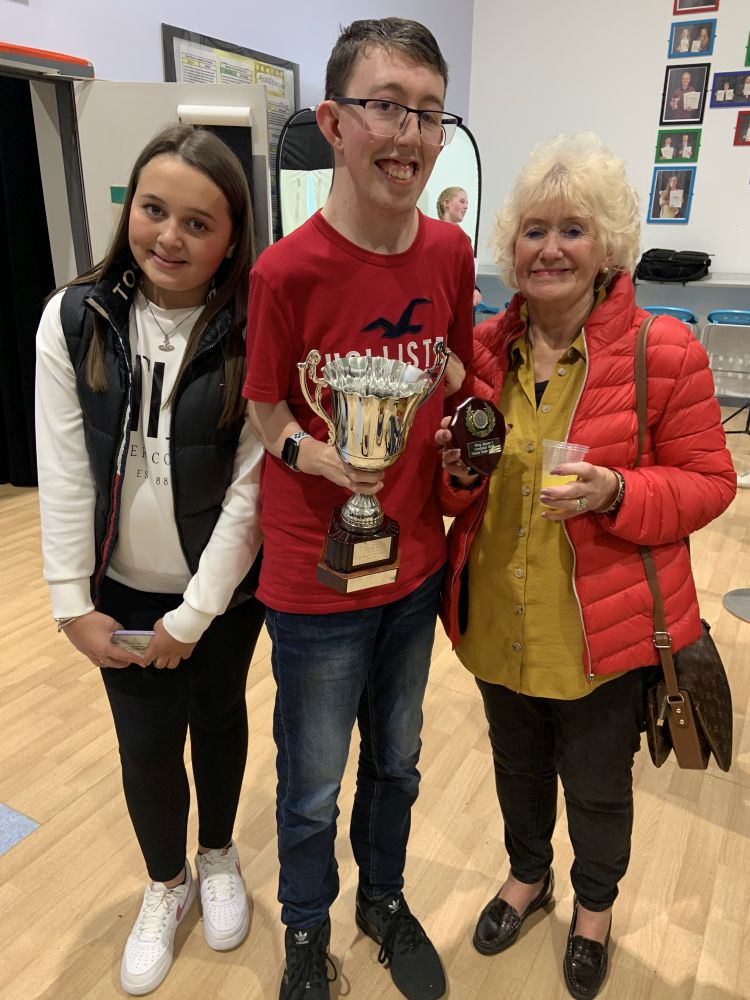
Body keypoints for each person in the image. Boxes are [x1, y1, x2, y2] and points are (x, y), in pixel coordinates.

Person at [434, 132, 736, 1000]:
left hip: (602, 633)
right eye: (534, 230)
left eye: (573, 230)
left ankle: (594, 910)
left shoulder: (661, 350)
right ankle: (528, 878)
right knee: (517, 767)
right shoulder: (483, 353)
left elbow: (711, 482)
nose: (551, 248)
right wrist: (457, 474)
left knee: (598, 788)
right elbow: (455, 492)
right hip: (498, 618)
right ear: (511, 247)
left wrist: (617, 491)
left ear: (608, 247)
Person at [243, 17, 475, 1000]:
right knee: (310, 784)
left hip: (415, 564)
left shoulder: (451, 253)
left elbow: (456, 372)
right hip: (313, 578)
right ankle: (307, 930)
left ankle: (383, 899)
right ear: (335, 123)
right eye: (388, 107)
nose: (410, 135)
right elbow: (264, 409)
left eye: (430, 113)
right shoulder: (284, 271)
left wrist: (471, 424)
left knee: (400, 761)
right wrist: (321, 458)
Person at [35, 124, 265, 996]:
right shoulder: (74, 318)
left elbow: (250, 490)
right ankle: (167, 883)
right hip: (120, 594)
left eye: (198, 223)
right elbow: (63, 468)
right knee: (145, 747)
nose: (169, 237)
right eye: (153, 209)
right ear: (129, 206)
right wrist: (72, 602)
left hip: (224, 596)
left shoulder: (255, 328)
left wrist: (195, 615)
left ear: (232, 239)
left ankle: (219, 855)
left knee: (219, 719)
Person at [437, 186, 482, 306]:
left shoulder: (466, 238)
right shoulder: (434, 235)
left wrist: (474, 289)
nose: (466, 206)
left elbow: (465, 272)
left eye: (467, 203)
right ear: (446, 203)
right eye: (462, 201)